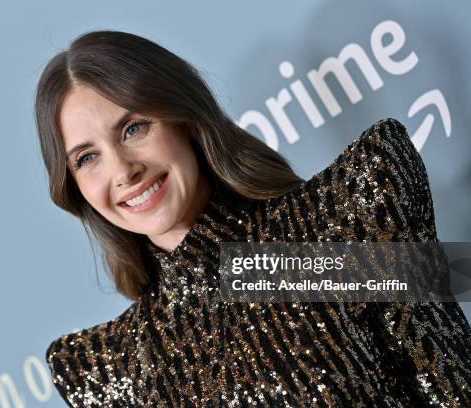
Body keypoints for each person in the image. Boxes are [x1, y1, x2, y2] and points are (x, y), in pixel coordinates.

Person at [35, 30, 471, 407]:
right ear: (74, 188)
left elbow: (452, 382)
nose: (122, 171)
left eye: (134, 129)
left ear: (184, 120)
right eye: (87, 158)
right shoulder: (115, 364)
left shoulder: (323, 226)